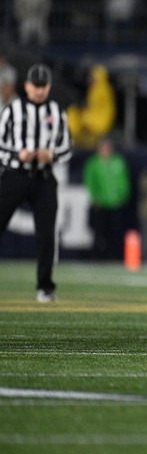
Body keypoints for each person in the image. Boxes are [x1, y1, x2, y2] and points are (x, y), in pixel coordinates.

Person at [0, 63, 72, 302]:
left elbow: (67, 146)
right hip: (15, 175)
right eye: (36, 86)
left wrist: (51, 155)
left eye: (43, 86)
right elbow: (1, 144)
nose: (39, 90)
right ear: (27, 86)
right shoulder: (12, 110)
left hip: (43, 177)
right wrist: (17, 155)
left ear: (49, 87)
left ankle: (45, 287)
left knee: (46, 234)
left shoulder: (56, 111)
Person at [83, 138, 131, 260]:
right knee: (98, 232)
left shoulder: (118, 161)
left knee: (114, 232)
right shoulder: (93, 163)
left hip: (115, 203)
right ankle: (96, 257)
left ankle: (113, 257)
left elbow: (124, 180)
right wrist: (95, 197)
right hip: (101, 203)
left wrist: (122, 195)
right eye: (103, 147)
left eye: (107, 147)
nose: (105, 150)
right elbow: (90, 182)